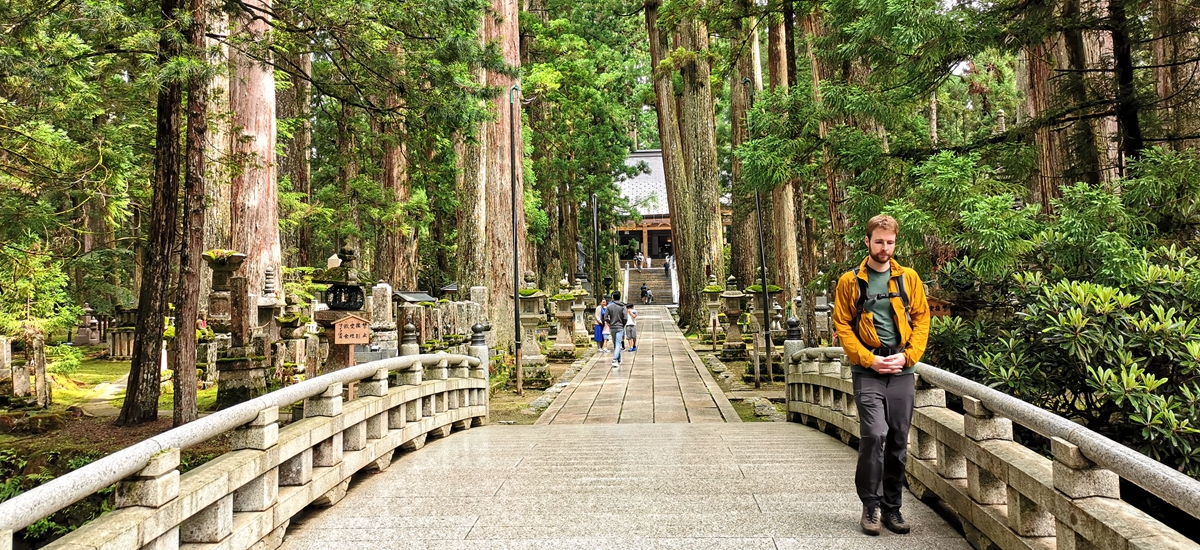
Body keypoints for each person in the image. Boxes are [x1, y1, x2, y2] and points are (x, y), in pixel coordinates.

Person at [832, 214, 931, 537]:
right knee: (874, 434)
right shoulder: (851, 281)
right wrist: (869, 360)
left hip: (902, 368)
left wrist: (909, 356)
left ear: (895, 243)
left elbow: (921, 319)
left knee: (899, 439)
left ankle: (893, 507)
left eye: (890, 242)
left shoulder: (908, 278)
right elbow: (843, 325)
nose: (884, 248)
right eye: (879, 242)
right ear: (867, 242)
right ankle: (870, 505)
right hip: (868, 370)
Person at [604, 291, 629, 368]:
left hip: (612, 327)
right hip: (620, 326)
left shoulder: (609, 306)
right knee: (618, 343)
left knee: (616, 343)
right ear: (620, 297)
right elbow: (625, 318)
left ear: (613, 297)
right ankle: (615, 359)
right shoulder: (623, 307)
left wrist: (610, 322)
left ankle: (619, 358)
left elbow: (605, 317)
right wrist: (623, 324)